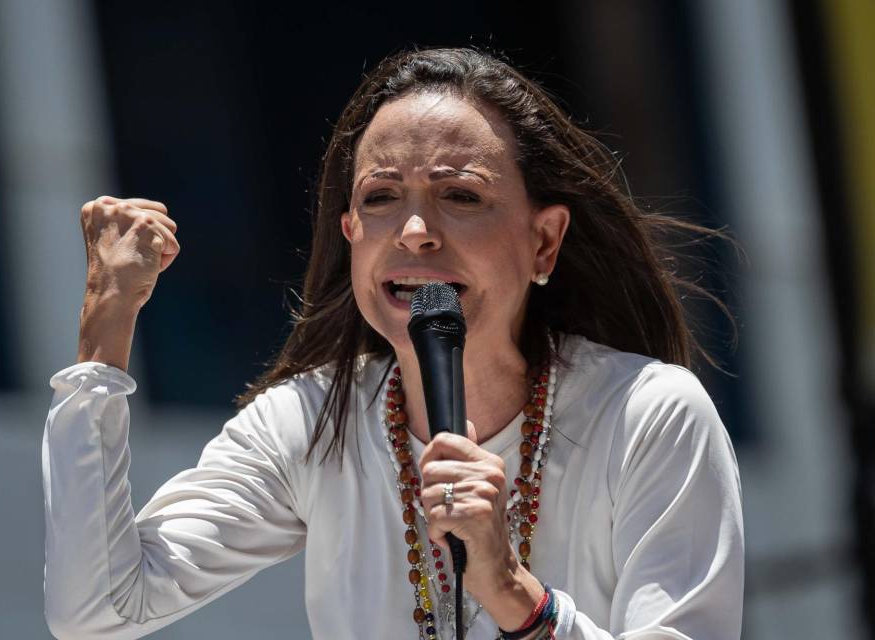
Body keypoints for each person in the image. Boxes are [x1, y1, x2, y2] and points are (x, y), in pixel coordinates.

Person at [42, 47, 744, 640]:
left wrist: (515, 596)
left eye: (460, 197)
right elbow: (96, 611)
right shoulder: (310, 423)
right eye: (381, 198)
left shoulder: (650, 414)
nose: (415, 232)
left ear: (544, 241)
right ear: (351, 234)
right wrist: (107, 324)